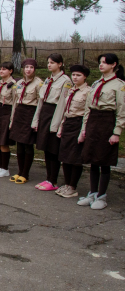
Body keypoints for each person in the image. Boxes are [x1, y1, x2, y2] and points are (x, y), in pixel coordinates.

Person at [77, 54, 125, 210]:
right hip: (93, 122)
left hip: (107, 123)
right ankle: (93, 192)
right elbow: (87, 108)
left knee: (104, 161)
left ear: (114, 65)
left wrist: (116, 132)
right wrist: (84, 128)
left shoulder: (119, 85)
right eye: (100, 62)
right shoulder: (97, 83)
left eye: (105, 63)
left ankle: (102, 196)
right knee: (93, 160)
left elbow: (121, 110)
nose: (101, 65)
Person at [32, 54, 72, 191]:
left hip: (56, 113)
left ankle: (53, 180)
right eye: (48, 62)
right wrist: (36, 119)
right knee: (46, 147)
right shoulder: (48, 80)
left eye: (53, 63)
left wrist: (56, 124)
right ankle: (48, 178)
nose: (49, 65)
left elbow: (63, 104)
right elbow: (41, 101)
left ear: (60, 64)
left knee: (53, 149)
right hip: (45, 112)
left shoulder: (65, 81)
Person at [55, 65, 91, 198]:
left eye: (78, 75)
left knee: (75, 157)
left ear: (85, 77)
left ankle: (73, 186)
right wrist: (61, 127)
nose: (75, 77)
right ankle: (67, 183)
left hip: (78, 123)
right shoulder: (70, 90)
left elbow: (88, 113)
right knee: (65, 156)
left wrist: (83, 131)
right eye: (73, 75)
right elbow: (65, 110)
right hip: (68, 123)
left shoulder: (88, 91)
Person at [8, 59, 42, 183]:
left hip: (30, 113)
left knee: (28, 144)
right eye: (26, 67)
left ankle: (25, 173)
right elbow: (14, 102)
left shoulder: (39, 83)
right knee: (19, 144)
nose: (28, 70)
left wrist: (36, 120)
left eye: (31, 67)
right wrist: (12, 119)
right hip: (20, 113)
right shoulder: (19, 83)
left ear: (34, 69)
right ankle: (20, 171)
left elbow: (40, 103)